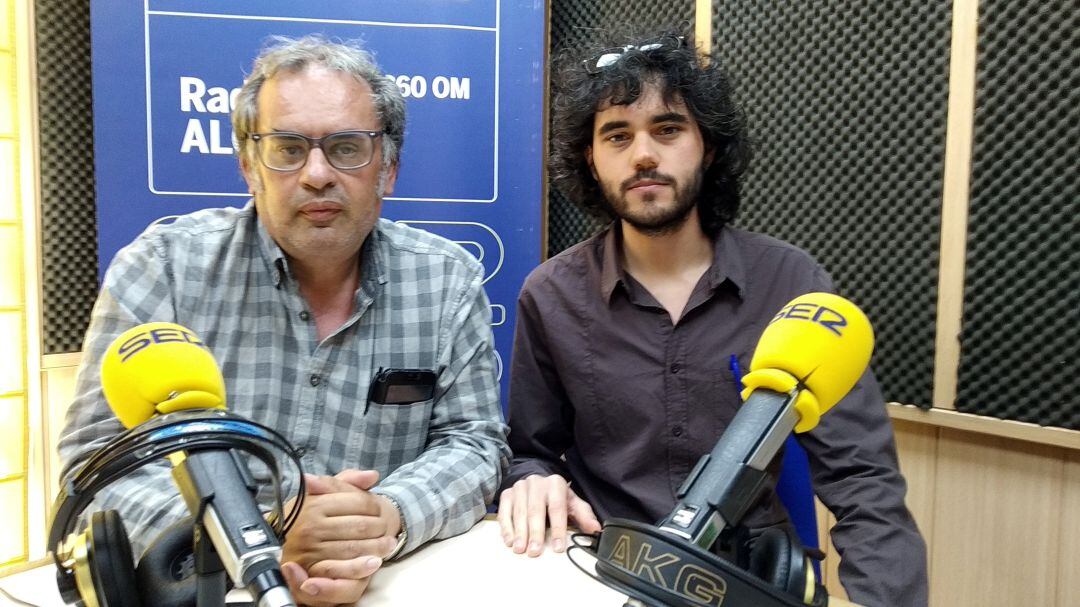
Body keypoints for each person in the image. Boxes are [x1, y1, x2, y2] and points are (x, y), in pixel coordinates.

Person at [58, 35, 510, 606]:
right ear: (250, 167)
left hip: (380, 585)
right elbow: (96, 463)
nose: (317, 174)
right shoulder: (164, 268)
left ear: (388, 170)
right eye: (288, 148)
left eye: (347, 148)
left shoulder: (448, 281)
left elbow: (473, 444)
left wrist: (384, 518)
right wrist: (258, 532)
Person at [496, 30, 928, 607]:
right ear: (591, 162)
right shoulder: (550, 295)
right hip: (606, 574)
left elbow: (863, 482)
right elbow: (533, 449)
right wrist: (531, 478)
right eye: (617, 136)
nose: (643, 154)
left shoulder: (791, 283)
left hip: (748, 581)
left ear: (710, 147)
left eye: (668, 129)